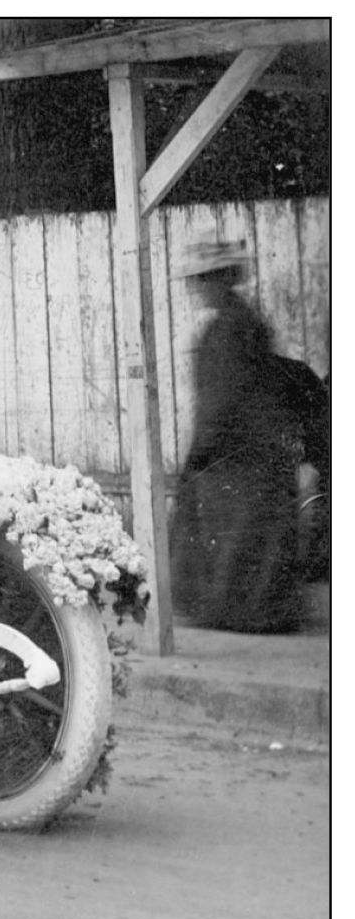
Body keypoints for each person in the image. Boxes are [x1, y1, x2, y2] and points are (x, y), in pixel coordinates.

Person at [171, 239, 307, 633]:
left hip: (238, 447)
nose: (195, 289)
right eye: (195, 280)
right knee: (246, 531)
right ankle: (251, 611)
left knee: (233, 529)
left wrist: (201, 450)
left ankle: (240, 614)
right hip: (252, 445)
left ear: (220, 281)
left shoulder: (230, 327)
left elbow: (223, 397)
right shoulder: (240, 320)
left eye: (202, 280)